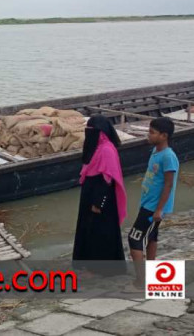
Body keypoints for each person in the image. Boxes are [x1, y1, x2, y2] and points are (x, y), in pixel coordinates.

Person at [127, 117, 179, 290]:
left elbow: (168, 184)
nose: (148, 135)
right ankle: (151, 274)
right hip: (147, 203)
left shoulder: (168, 157)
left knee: (134, 238)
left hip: (153, 208)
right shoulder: (155, 151)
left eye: (152, 132)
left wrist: (159, 210)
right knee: (151, 237)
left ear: (164, 136)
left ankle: (141, 281)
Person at [72, 115, 127, 275]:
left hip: (102, 199)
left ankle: (104, 269)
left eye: (91, 131)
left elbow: (107, 180)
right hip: (89, 195)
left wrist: (98, 203)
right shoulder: (95, 149)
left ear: (100, 132)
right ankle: (89, 264)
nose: (88, 134)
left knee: (101, 232)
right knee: (88, 229)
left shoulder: (107, 150)